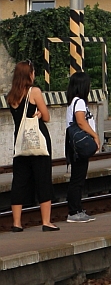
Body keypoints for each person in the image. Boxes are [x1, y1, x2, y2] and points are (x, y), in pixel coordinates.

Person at [7, 61, 58, 231]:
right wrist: (38, 113)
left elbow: (18, 116)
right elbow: (47, 116)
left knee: (19, 181)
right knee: (43, 179)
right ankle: (46, 222)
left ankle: (16, 223)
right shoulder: (34, 92)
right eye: (33, 72)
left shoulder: (11, 96)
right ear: (29, 74)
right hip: (38, 142)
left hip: (20, 144)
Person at [65, 71, 100, 223]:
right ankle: (74, 212)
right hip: (79, 144)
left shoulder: (72, 101)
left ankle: (77, 209)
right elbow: (80, 121)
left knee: (77, 177)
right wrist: (95, 135)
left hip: (73, 144)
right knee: (77, 179)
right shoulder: (79, 102)